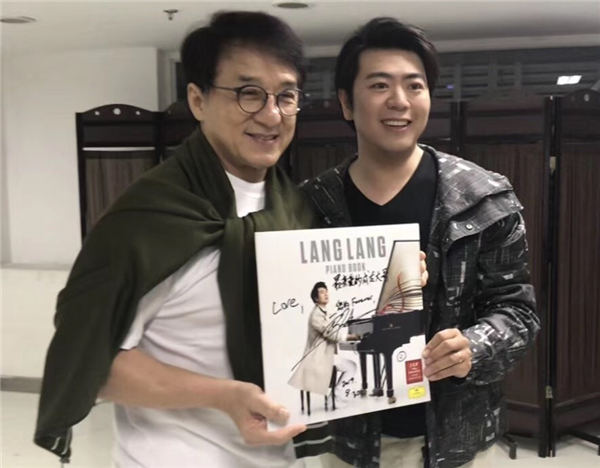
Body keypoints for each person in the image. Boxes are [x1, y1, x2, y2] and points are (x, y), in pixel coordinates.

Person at [34, 11, 315, 468]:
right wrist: (222, 396)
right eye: (248, 93)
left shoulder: (296, 209)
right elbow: (92, 362)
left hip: (278, 458)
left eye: (286, 96)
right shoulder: (147, 219)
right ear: (198, 100)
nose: (271, 114)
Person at [299, 17, 540, 468]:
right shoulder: (312, 205)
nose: (400, 101)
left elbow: (519, 312)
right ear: (346, 103)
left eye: (415, 86)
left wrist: (474, 346)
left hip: (457, 441)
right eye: (379, 85)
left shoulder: (483, 197)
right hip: (346, 442)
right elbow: (294, 318)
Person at [288, 282, 355, 415]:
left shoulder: (323, 312)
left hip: (324, 355)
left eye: (326, 291)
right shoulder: (316, 315)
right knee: (351, 366)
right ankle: (334, 398)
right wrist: (350, 337)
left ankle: (334, 397)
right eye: (322, 292)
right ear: (316, 298)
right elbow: (330, 333)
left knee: (350, 366)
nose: (326, 294)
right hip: (317, 359)